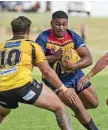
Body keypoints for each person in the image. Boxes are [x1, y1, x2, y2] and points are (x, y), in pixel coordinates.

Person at [0, 16, 76, 130]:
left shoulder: (2, 46)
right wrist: (64, 89)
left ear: (13, 30)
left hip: (2, 89)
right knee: (60, 107)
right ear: (28, 31)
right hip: (23, 86)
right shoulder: (32, 45)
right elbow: (46, 71)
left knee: (2, 113)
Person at [35, 10, 99, 130]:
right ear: (51, 23)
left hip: (75, 75)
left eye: (64, 24)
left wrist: (74, 66)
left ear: (67, 24)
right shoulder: (44, 38)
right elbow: (33, 61)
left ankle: (74, 107)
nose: (61, 27)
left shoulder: (72, 36)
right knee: (78, 106)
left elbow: (88, 58)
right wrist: (54, 57)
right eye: (57, 24)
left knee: (93, 103)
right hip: (56, 79)